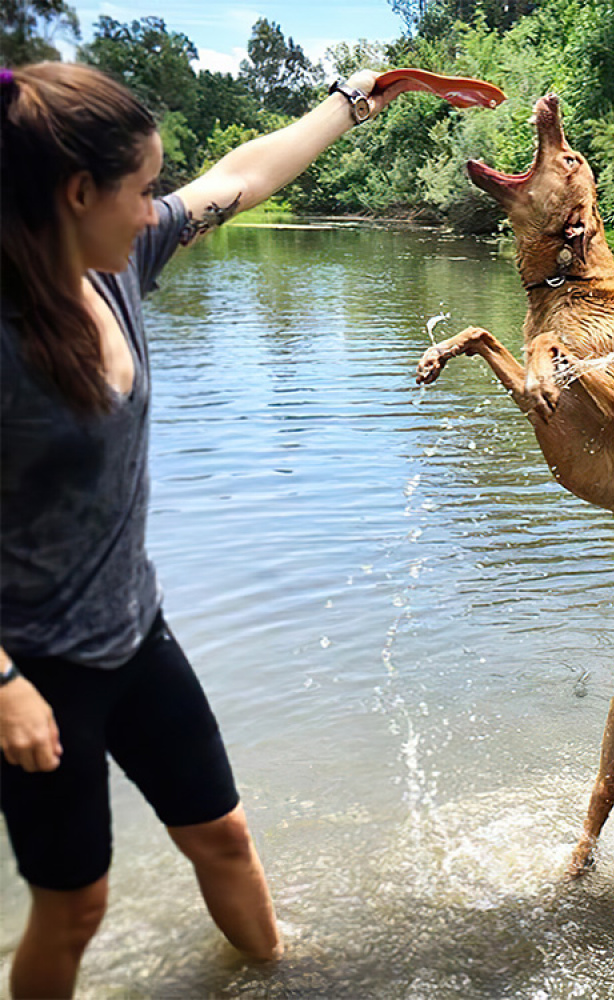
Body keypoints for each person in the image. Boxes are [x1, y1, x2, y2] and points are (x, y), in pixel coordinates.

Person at [0, 60, 405, 999]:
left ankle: (281, 980)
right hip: (34, 675)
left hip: (134, 634)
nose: (156, 210)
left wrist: (349, 103)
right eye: (141, 191)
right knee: (75, 907)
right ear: (75, 194)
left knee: (221, 834)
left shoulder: (119, 268)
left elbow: (241, 177)